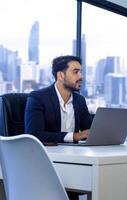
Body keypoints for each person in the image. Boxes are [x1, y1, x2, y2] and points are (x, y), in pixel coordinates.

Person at [25, 55, 92, 200]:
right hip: (46, 164)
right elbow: (34, 134)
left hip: (74, 162)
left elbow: (89, 130)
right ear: (60, 75)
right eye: (75, 72)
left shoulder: (79, 100)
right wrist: (73, 136)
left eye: (81, 72)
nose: (81, 76)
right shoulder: (38, 97)